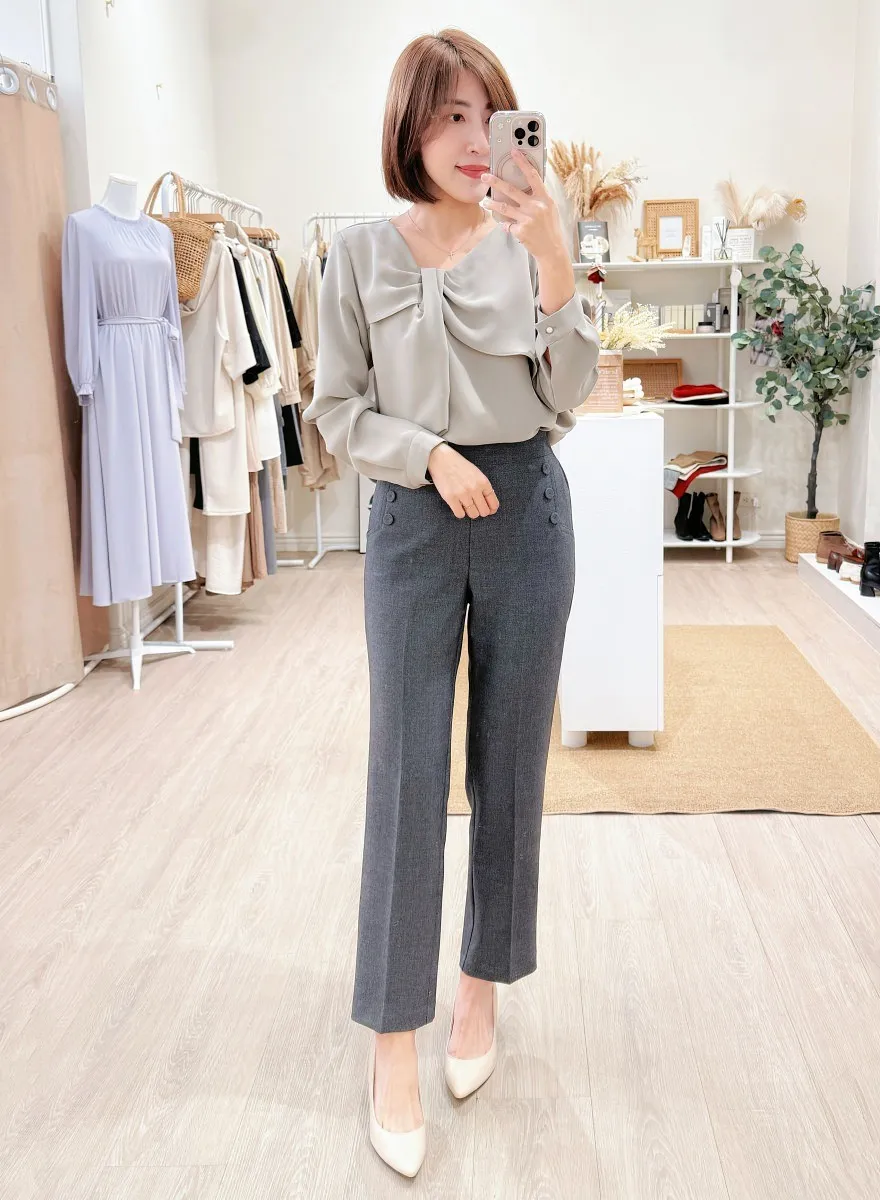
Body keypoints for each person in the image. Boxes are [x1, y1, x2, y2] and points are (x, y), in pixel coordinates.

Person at [301, 27, 601, 1177]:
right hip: (414, 520)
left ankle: (481, 989)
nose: (476, 141)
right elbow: (336, 410)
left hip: (525, 510)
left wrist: (556, 258)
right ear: (409, 128)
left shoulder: (528, 241)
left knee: (509, 763)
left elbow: (566, 393)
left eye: (491, 115)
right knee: (405, 771)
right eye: (451, 116)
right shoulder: (357, 257)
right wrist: (425, 455)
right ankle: (392, 1037)